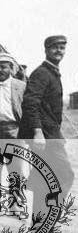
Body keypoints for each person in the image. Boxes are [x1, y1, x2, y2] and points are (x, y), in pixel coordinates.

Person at [18, 35, 74, 202]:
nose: (59, 51)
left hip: (50, 133)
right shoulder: (42, 73)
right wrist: (37, 132)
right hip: (45, 136)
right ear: (46, 50)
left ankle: (42, 222)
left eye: (62, 48)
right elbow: (30, 102)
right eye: (54, 47)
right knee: (65, 175)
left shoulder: (52, 73)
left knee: (45, 177)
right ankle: (47, 214)